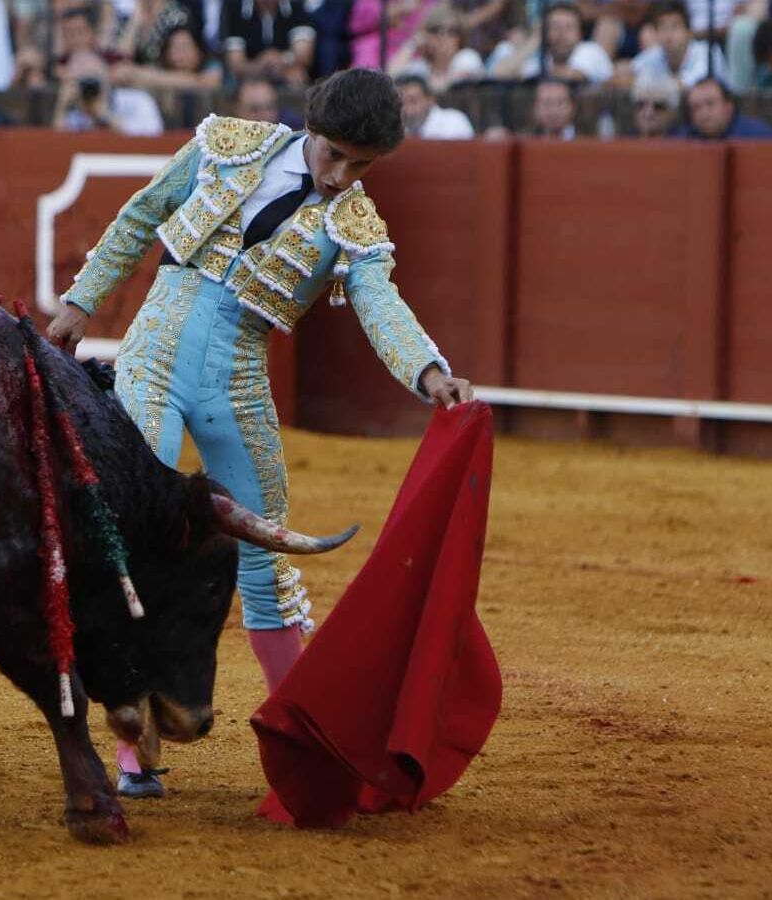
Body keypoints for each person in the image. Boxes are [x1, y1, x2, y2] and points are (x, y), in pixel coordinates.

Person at [46, 68, 472, 799]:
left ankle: (300, 745)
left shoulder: (356, 223)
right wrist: (82, 302)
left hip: (237, 380)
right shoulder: (224, 142)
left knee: (268, 556)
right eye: (335, 155)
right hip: (148, 358)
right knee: (130, 538)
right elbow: (143, 214)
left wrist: (430, 373)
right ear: (310, 127)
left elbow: (381, 304)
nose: (342, 177)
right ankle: (131, 753)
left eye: (361, 166)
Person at [52, 43, 164, 135]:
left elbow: (153, 132)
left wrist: (105, 115)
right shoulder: (73, 110)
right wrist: (61, 108)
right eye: (83, 80)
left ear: (106, 77)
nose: (90, 87)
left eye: (94, 77)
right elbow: (58, 147)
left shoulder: (137, 100)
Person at [490, 2, 615, 83]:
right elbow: (499, 74)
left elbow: (573, 76)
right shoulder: (543, 60)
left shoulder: (590, 50)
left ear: (580, 33)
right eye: (555, 27)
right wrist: (534, 41)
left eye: (568, 28)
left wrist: (532, 77)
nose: (561, 34)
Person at [389, 3, 486, 93]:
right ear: (426, 35)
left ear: (460, 37)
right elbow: (390, 76)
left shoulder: (467, 57)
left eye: (452, 31)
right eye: (436, 30)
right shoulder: (421, 67)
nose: (444, 36)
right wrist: (413, 44)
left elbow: (445, 88)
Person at [630, 0, 729, 86]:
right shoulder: (656, 53)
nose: (668, 35)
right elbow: (625, 72)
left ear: (689, 32)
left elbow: (688, 86)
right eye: (663, 28)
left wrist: (647, 81)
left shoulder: (708, 52)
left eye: (675, 27)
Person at [679, 74, 772, 137]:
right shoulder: (683, 139)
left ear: (728, 106)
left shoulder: (758, 136)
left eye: (710, 104)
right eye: (696, 108)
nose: (704, 114)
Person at [396, 72, 475, 137]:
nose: (407, 109)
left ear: (430, 100)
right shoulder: (398, 130)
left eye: (413, 101)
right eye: (402, 104)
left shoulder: (454, 122)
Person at [629, 69, 683, 135]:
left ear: (673, 112)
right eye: (641, 104)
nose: (648, 113)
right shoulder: (623, 140)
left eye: (658, 106)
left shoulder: (688, 140)